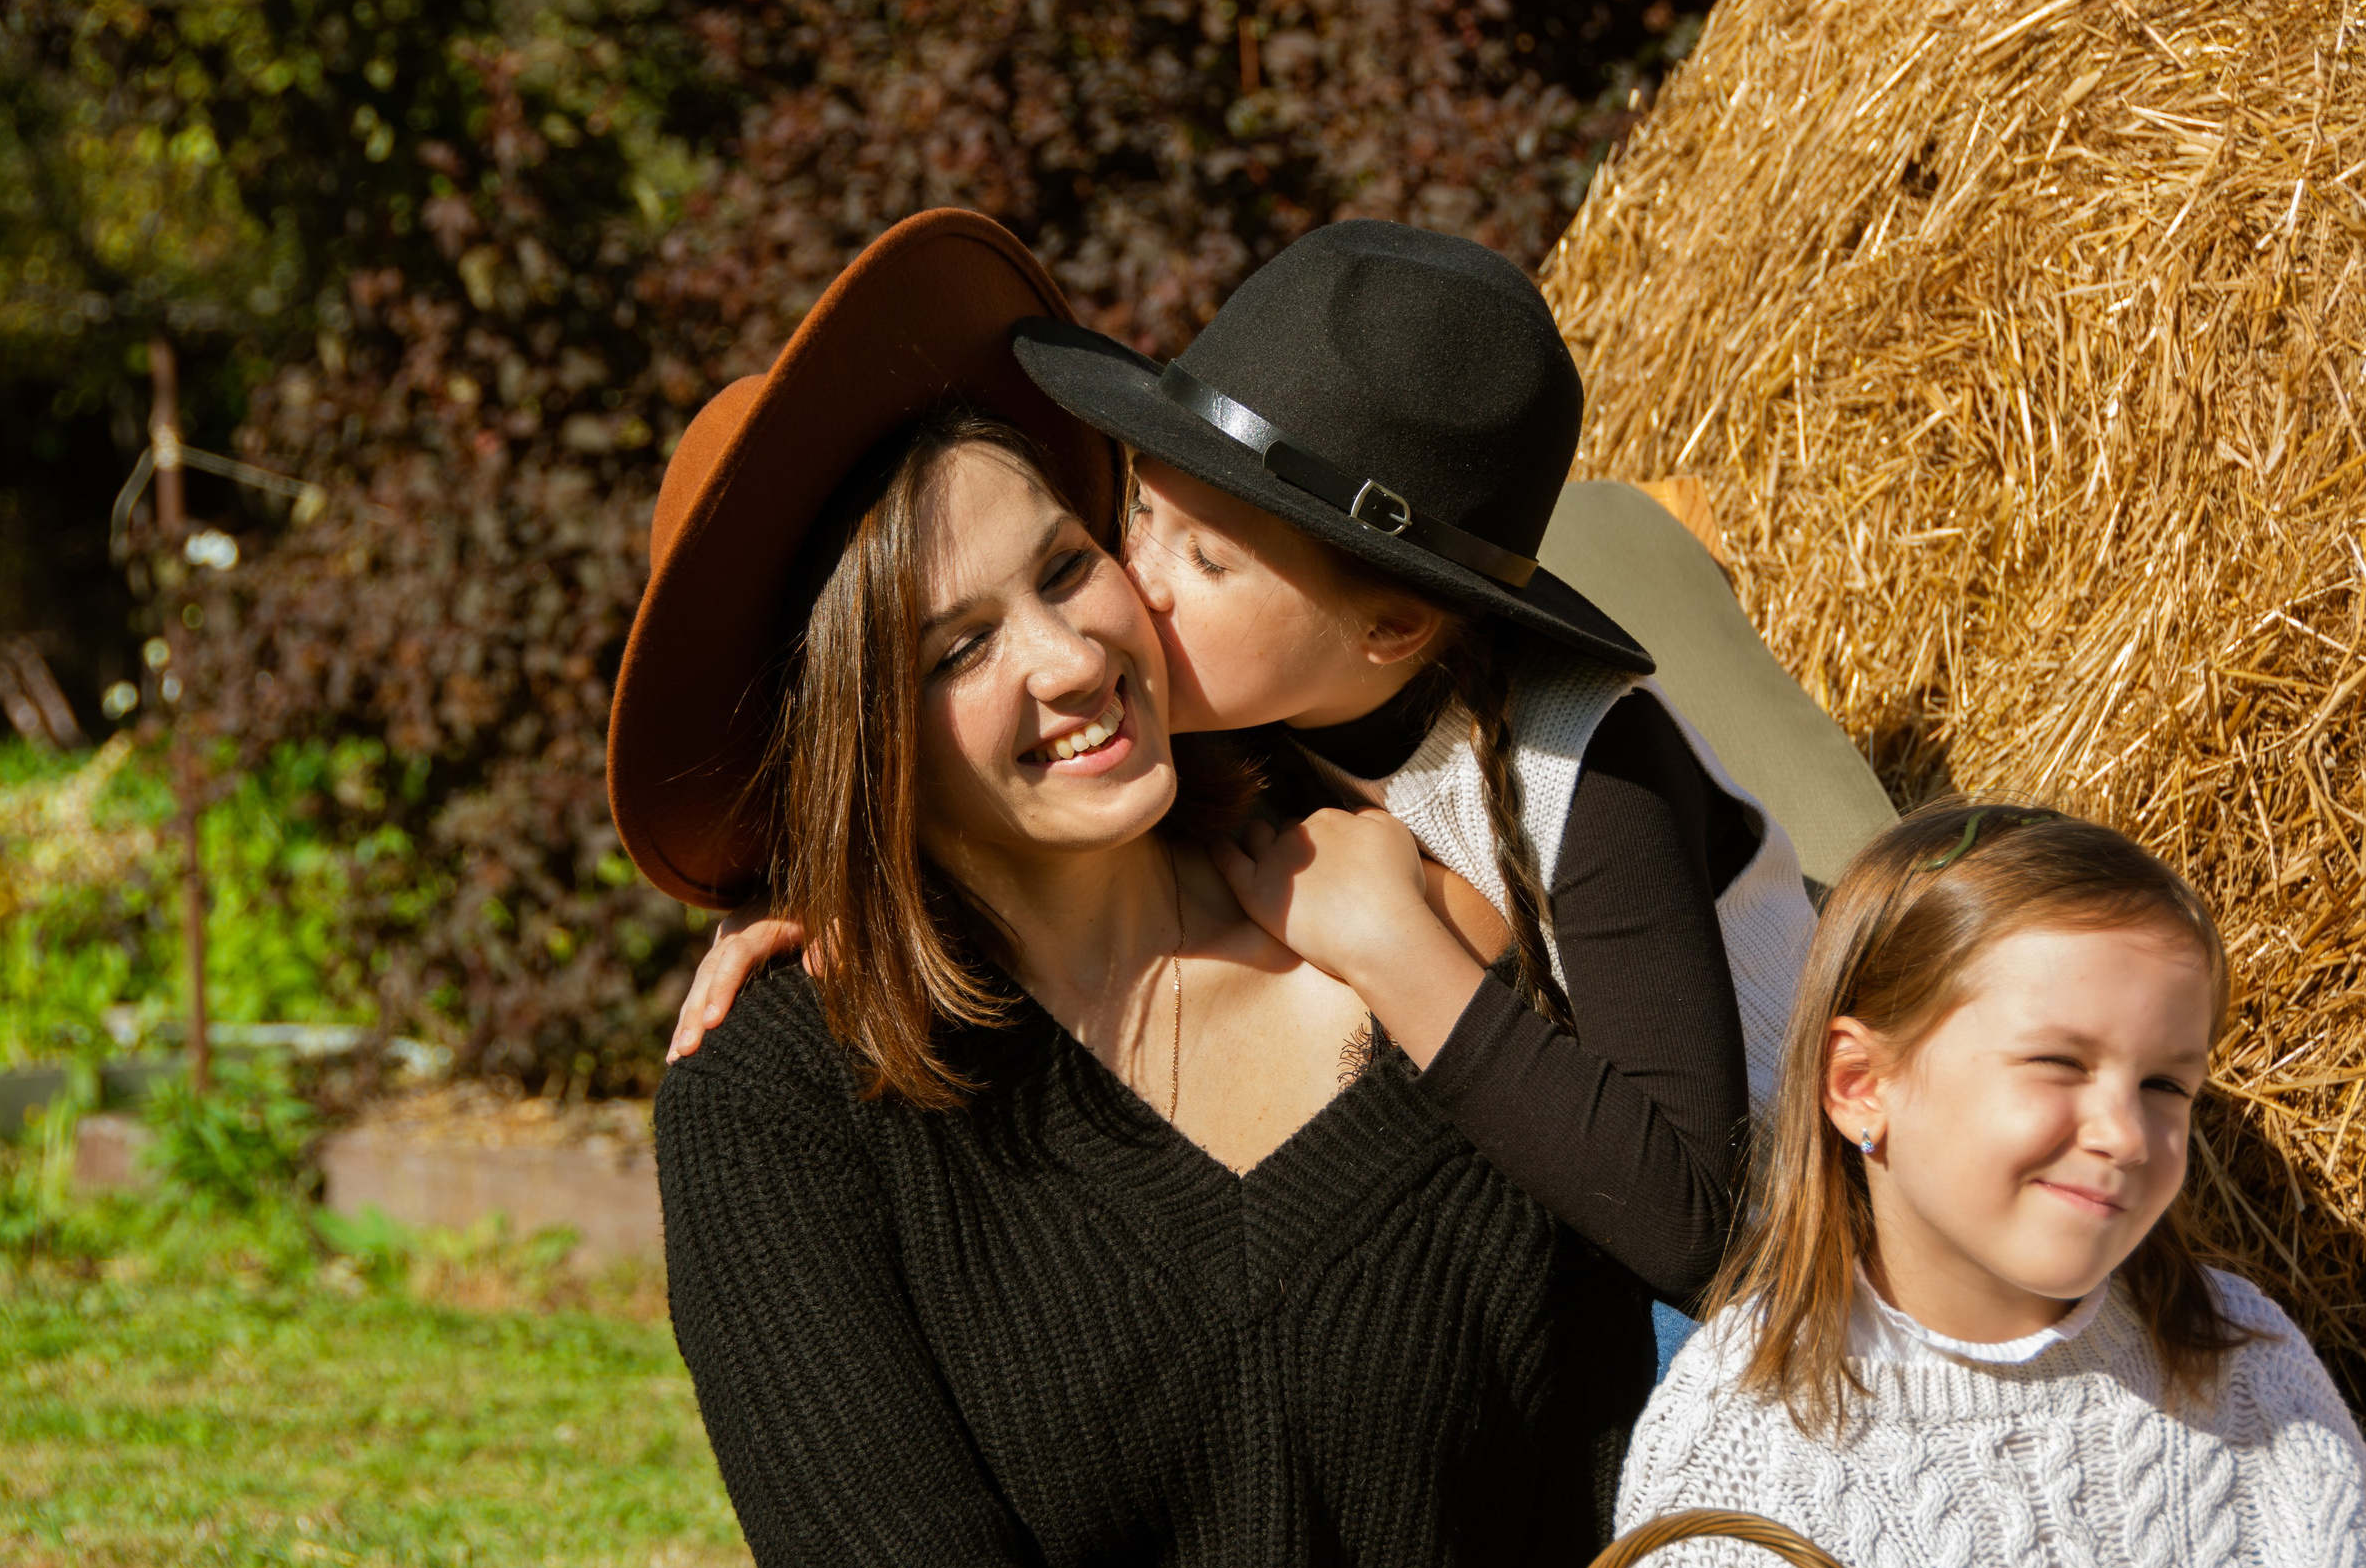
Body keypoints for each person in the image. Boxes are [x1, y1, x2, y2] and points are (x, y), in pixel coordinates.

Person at [608, 209, 1653, 1568]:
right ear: (860, 737)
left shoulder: (1427, 939)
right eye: (953, 649)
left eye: (1066, 565)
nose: (1068, 657)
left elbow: (1605, 1507)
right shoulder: (782, 1095)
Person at [670, 222, 1817, 1359]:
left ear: (1391, 626)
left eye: (1206, 563)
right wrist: (841, 892)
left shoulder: (1595, 767)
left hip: (1786, 1269)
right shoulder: (1247, 718)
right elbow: (995, 805)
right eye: (1138, 520)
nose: (1133, 592)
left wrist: (1392, 954)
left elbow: (1692, 1228)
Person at [1595, 802, 2366, 1568]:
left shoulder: (2237, 1350)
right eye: (2060, 1062)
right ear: (1861, 1084)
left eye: (2167, 1082)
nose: (2127, 1133)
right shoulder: (1743, 1429)